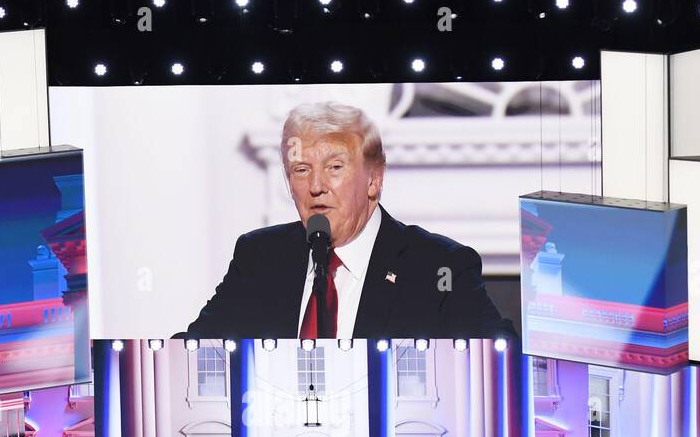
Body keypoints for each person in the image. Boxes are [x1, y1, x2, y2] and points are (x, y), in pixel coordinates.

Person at [184, 101, 504, 339]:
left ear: (374, 179)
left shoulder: (438, 266)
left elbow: (501, 360)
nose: (316, 186)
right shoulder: (259, 257)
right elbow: (192, 353)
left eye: (335, 167)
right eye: (301, 170)